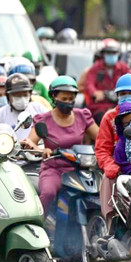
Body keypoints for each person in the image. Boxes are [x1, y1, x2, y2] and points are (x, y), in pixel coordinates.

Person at [23, 76, 99, 213]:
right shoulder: (44, 119)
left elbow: (100, 138)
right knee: (48, 193)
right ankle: (39, 224)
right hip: (53, 169)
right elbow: (31, 144)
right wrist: (41, 150)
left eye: (71, 99)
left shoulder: (82, 116)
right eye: (64, 99)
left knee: (96, 192)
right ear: (53, 97)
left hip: (79, 169)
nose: (68, 102)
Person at [94, 73, 131, 217]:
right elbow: (102, 149)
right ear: (117, 95)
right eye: (123, 93)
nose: (127, 96)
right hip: (118, 169)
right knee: (108, 178)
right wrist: (110, 165)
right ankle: (109, 224)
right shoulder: (109, 117)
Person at [83, 38, 131, 123]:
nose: (111, 55)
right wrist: (95, 93)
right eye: (108, 53)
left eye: (114, 53)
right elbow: (89, 83)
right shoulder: (96, 67)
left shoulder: (123, 68)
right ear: (103, 55)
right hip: (100, 106)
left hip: (119, 104)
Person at [0, 73, 50, 141]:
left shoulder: (39, 109)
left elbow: (53, 126)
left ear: (30, 94)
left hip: (38, 149)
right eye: (17, 95)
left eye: (25, 94)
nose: (21, 98)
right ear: (8, 96)